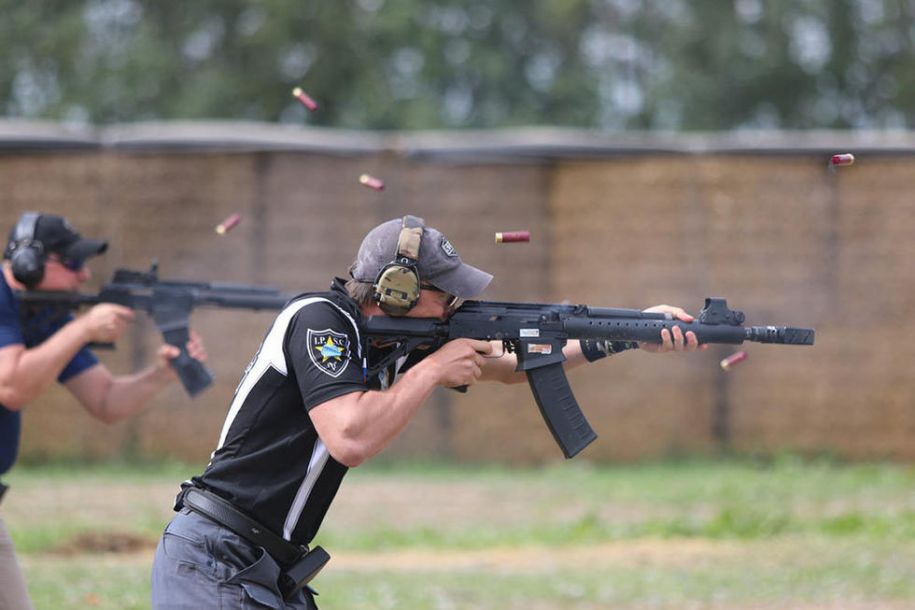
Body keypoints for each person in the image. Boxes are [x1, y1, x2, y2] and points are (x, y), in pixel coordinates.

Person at [150, 215, 703, 609]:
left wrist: (632, 334)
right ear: (396, 291)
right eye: (445, 294)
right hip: (217, 559)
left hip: (266, 567)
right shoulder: (320, 321)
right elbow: (349, 437)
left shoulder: (392, 345)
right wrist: (432, 370)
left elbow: (513, 365)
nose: (456, 306)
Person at [0, 211, 208, 610]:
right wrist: (83, 328)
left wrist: (160, 374)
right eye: (73, 263)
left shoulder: (44, 318)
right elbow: (11, 387)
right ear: (28, 262)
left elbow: (106, 401)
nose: (83, 276)